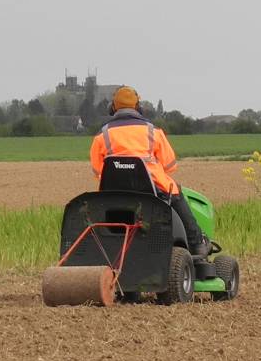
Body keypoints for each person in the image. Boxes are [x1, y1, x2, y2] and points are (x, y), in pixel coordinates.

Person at [88, 86, 210, 257]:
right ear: (138, 107)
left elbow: (97, 170)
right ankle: (197, 242)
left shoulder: (102, 136)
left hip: (113, 193)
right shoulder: (153, 132)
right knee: (175, 191)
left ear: (113, 108)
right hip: (153, 190)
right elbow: (170, 166)